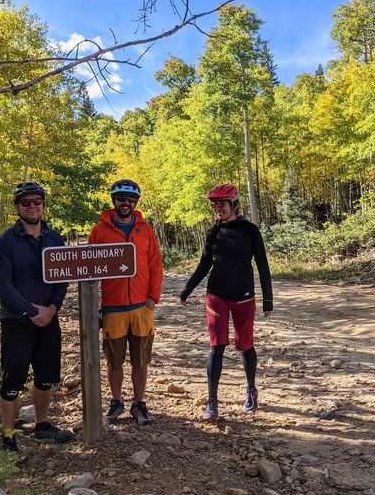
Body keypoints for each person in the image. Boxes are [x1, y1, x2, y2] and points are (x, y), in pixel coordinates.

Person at [179, 183, 273, 421]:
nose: (217, 209)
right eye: (214, 205)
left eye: (222, 204)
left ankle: (251, 390)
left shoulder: (250, 231)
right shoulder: (213, 233)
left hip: (243, 298)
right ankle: (212, 401)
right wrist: (187, 290)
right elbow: (204, 264)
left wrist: (268, 299)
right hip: (216, 296)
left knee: (245, 345)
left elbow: (262, 265)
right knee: (216, 347)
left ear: (235, 204)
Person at [0, 181, 73, 453]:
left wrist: (52, 309)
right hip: (17, 321)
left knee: (45, 377)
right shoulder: (5, 241)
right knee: (12, 381)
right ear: (17, 207)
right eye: (26, 202)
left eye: (36, 201)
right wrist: (31, 310)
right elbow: (3, 285)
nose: (32, 206)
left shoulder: (55, 238)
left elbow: (63, 278)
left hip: (49, 320)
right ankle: (8, 439)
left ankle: (42, 426)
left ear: (43, 205)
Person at [88, 179, 163, 426]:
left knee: (141, 359)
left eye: (130, 199)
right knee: (114, 360)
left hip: (142, 306)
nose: (126, 203)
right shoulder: (99, 231)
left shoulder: (145, 229)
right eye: (121, 198)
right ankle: (116, 402)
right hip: (113, 307)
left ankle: (139, 404)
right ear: (114, 201)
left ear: (136, 202)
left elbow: (155, 264)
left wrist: (153, 298)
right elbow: (88, 269)